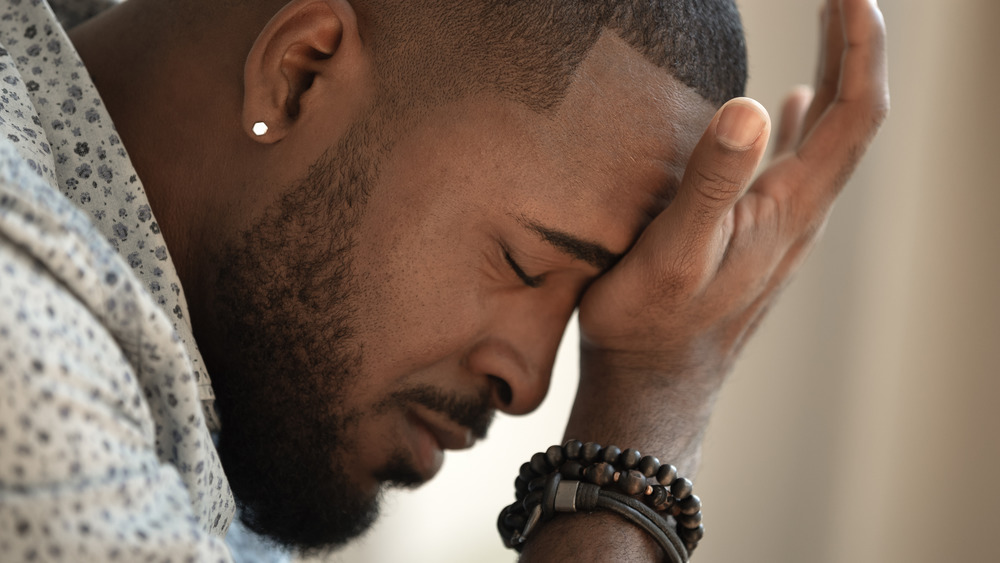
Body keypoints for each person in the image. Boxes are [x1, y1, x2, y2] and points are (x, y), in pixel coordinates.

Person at [0, 0, 887, 560]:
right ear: (299, 74)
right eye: (526, 264)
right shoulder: (21, 339)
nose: (532, 385)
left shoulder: (217, 362)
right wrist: (652, 406)